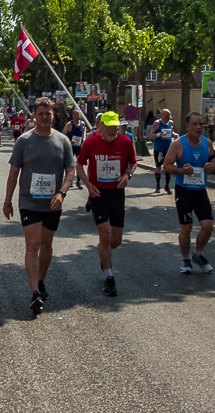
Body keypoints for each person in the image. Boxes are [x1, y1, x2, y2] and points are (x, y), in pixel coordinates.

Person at [3, 97, 75, 316]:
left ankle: (40, 280)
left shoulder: (63, 141)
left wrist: (62, 193)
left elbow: (70, 171)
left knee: (47, 243)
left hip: (53, 202)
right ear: (34, 116)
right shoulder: (24, 141)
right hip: (29, 201)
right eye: (41, 113)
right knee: (32, 244)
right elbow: (14, 172)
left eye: (48, 114)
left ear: (54, 115)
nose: (45, 117)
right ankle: (35, 293)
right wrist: (7, 201)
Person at [76, 110, 137, 296]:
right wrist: (88, 185)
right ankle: (109, 277)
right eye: (108, 127)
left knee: (116, 240)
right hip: (98, 194)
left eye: (115, 127)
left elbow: (132, 163)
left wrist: (127, 175)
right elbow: (78, 165)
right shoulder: (91, 143)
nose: (112, 130)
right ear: (100, 126)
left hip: (117, 193)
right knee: (104, 236)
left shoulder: (125, 142)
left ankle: (104, 254)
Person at [163, 111, 215, 274]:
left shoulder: (207, 143)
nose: (198, 127)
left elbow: (213, 158)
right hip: (184, 191)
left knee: (208, 226)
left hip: (200, 191)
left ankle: (198, 254)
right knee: (186, 228)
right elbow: (167, 165)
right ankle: (185, 259)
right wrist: (181, 171)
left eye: (200, 124)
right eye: (194, 124)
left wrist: (212, 165)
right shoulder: (178, 144)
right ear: (187, 126)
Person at [149, 109, 176, 194]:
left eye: (169, 116)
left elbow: (172, 132)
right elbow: (151, 135)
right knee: (158, 168)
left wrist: (175, 135)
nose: (168, 118)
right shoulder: (157, 123)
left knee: (168, 168)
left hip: (168, 149)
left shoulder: (171, 123)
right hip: (158, 149)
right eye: (167, 116)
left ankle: (167, 186)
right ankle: (158, 186)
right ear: (163, 115)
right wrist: (159, 134)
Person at [62, 108, 86, 190]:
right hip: (71, 147)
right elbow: (63, 135)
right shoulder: (69, 124)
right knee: (70, 165)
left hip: (79, 147)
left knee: (79, 164)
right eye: (75, 115)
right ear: (73, 115)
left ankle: (78, 182)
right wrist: (69, 141)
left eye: (78, 114)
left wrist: (84, 139)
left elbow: (84, 132)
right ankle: (70, 181)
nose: (77, 116)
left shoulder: (82, 124)